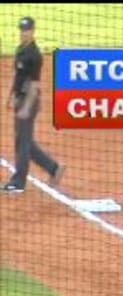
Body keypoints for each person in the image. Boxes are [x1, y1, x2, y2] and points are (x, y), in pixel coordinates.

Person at [4, 16, 64, 194]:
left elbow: (34, 84)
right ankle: (53, 168)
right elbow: (18, 76)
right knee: (24, 141)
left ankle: (18, 182)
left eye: (27, 30)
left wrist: (25, 107)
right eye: (22, 30)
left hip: (29, 101)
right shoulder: (20, 50)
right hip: (20, 99)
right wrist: (10, 96)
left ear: (33, 31)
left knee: (23, 143)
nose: (24, 33)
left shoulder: (34, 55)